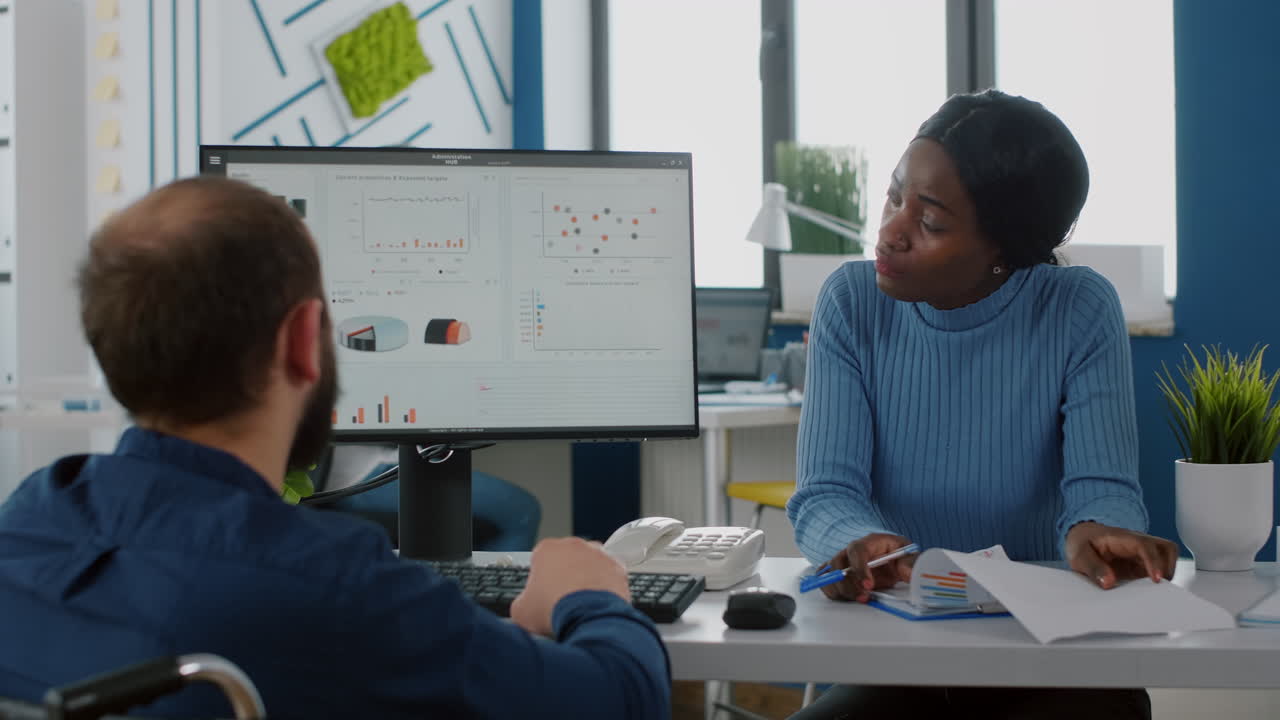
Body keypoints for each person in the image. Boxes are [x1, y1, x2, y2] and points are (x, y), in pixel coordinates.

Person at [0, 177, 669, 719]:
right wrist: (591, 597)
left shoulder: (27, 522)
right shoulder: (333, 589)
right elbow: (621, 699)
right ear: (302, 338)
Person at [785, 90, 1177, 719]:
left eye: (931, 222)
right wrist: (860, 541)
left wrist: (1096, 533)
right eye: (893, 196)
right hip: (901, 656)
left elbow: (1101, 487)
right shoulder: (852, 302)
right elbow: (826, 490)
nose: (890, 231)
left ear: (1004, 250)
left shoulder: (1076, 308)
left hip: (1051, 663)